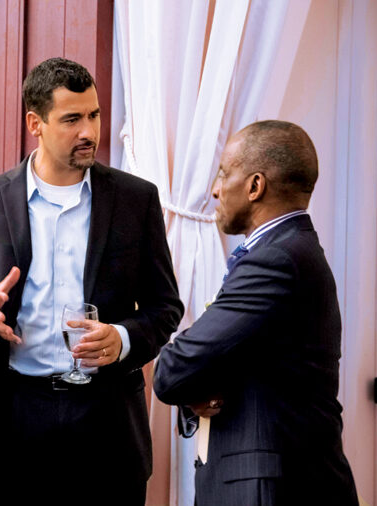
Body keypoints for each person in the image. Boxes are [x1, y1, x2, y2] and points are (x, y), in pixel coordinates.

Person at [0, 57, 184, 505]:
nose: (89, 131)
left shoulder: (137, 200)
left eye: (93, 115)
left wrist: (123, 338)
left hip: (108, 425)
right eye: (72, 119)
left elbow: (165, 306)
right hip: (14, 424)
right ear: (35, 123)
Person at [153, 120, 358, 505]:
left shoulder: (275, 260)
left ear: (255, 186)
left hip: (270, 490)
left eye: (223, 174)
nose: (214, 189)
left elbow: (172, 369)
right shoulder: (291, 251)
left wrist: (191, 377)